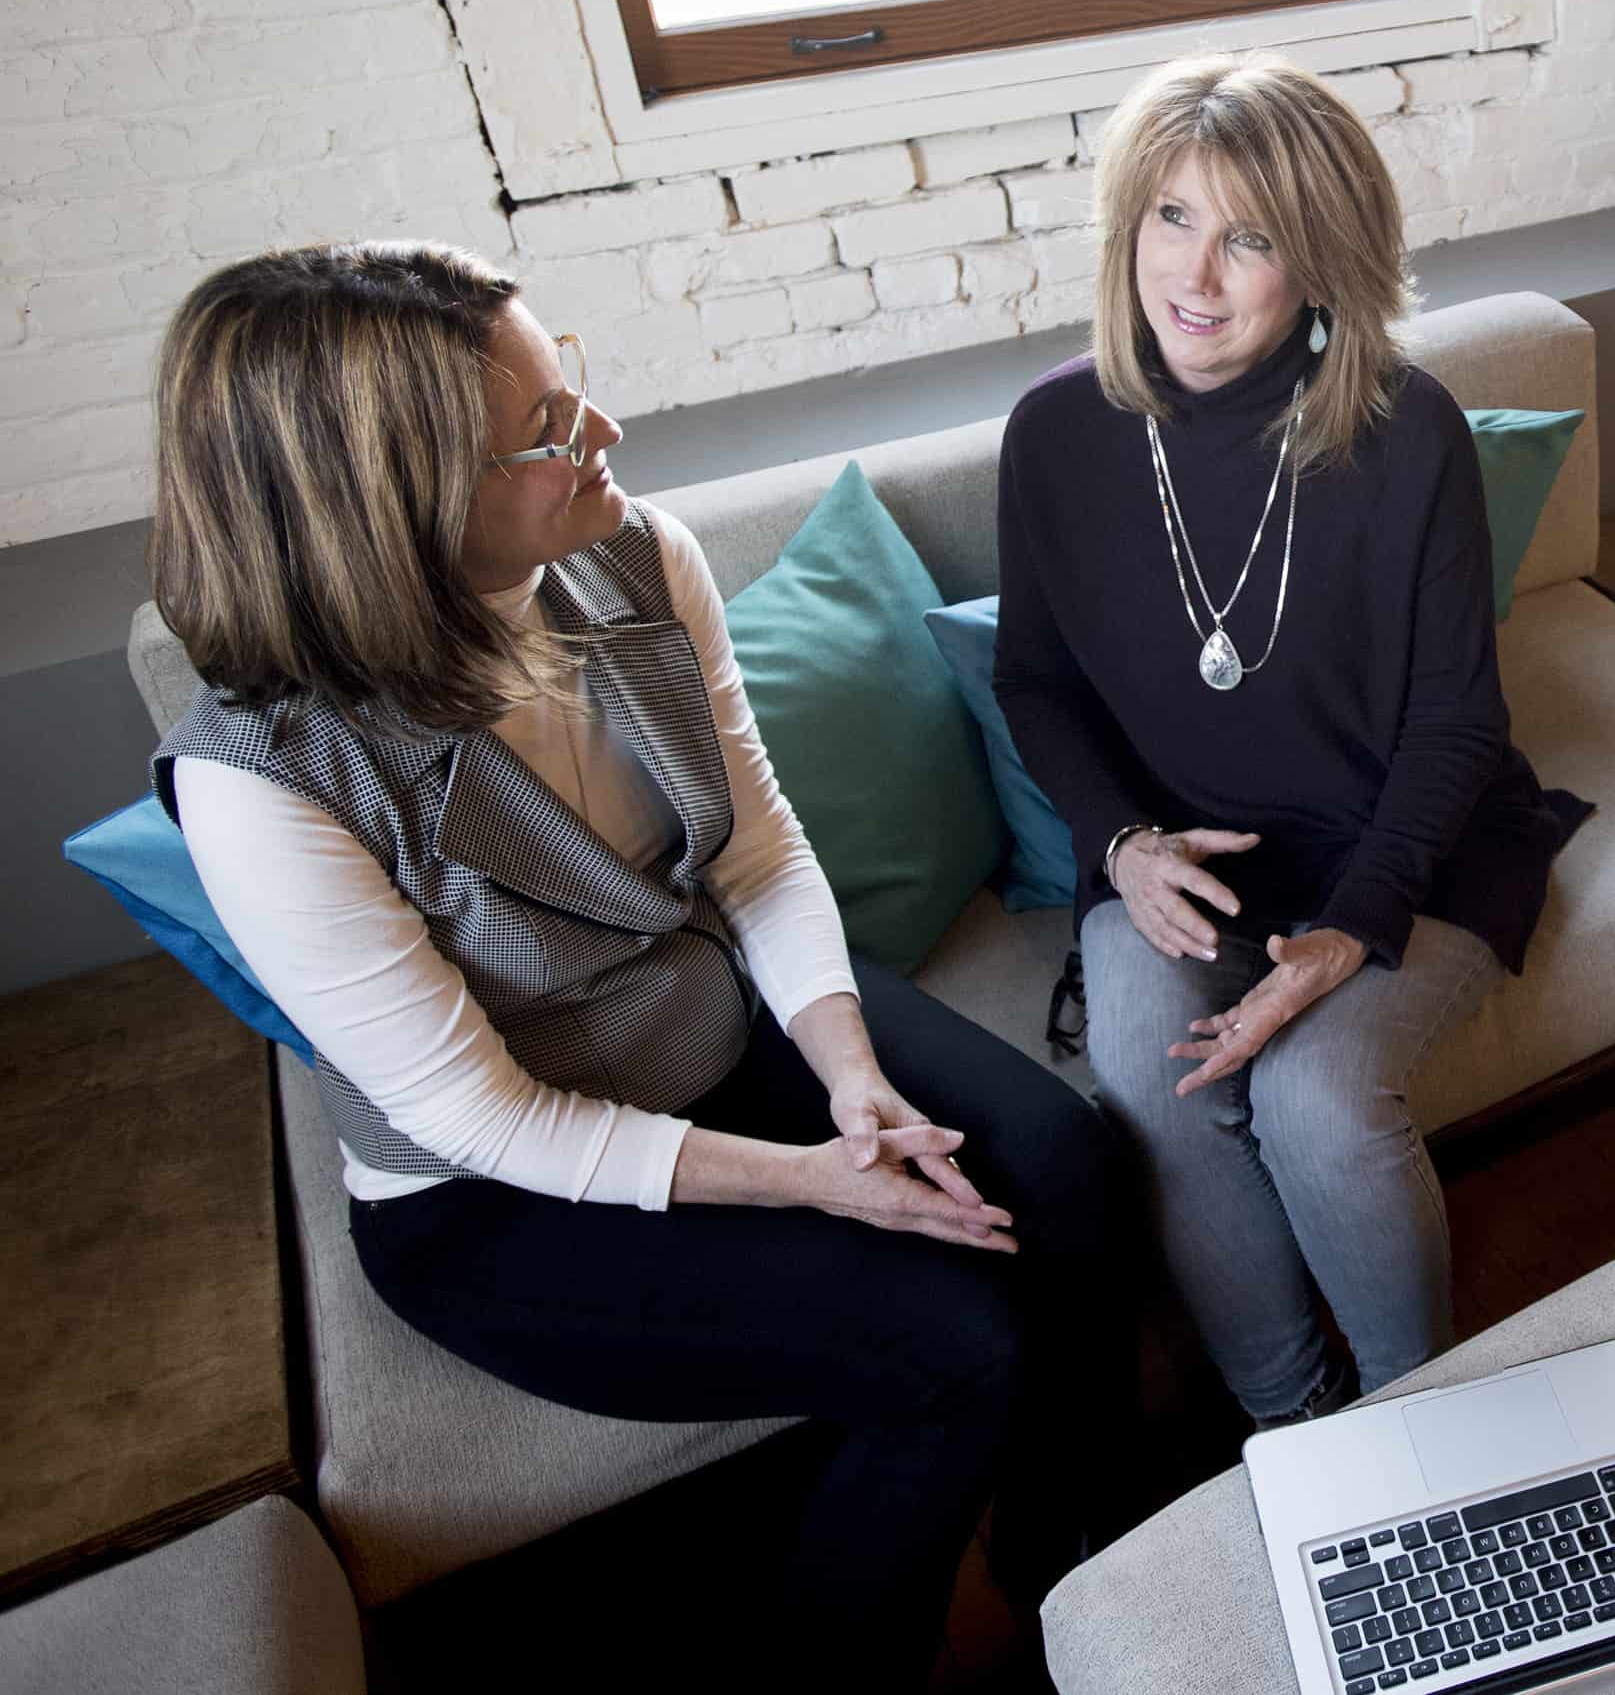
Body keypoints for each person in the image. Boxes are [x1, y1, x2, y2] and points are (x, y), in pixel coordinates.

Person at [147, 242, 1131, 1688]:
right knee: (952, 1345)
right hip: (499, 1194)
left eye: (574, 387)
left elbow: (755, 851)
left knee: (1064, 1164)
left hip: (713, 1026)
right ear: (393, 513)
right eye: (542, 434)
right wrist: (813, 1177)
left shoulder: (630, 556)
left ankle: (1084, 1555)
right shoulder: (268, 779)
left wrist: (849, 1073)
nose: (599, 435)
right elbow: (479, 1116)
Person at [993, 53, 1590, 1427]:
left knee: (1318, 1097)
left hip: (1407, 842)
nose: (1197, 274)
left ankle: (1414, 1413)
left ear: (1320, 266)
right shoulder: (1057, 435)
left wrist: (1351, 926)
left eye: (1250, 237)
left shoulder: (1407, 431)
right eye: (1172, 218)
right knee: (1158, 1069)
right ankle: (1296, 1423)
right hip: (1183, 854)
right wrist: (1121, 847)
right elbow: (1036, 683)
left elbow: (1457, 721)